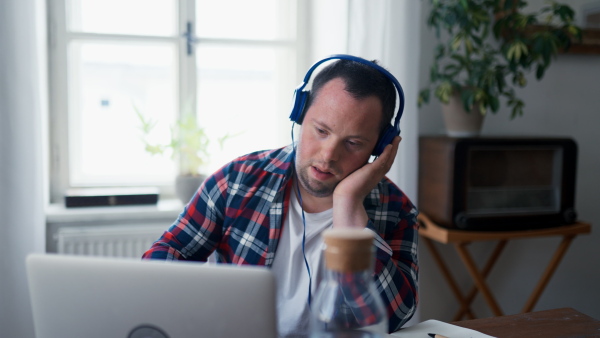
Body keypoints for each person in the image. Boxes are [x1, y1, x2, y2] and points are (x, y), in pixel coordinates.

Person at [142, 55, 419, 336]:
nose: (328, 155)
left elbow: (395, 316)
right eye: (321, 130)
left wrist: (348, 207)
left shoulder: (396, 210)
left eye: (353, 143)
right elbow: (165, 257)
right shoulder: (238, 180)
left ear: (380, 147)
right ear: (299, 113)